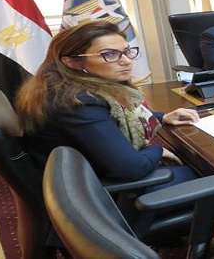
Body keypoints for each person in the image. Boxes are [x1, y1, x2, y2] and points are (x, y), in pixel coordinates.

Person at [15, 21, 200, 186]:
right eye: (109, 54)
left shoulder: (65, 86)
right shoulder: (78, 102)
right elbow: (131, 168)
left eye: (127, 51)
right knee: (205, 173)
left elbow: (111, 119)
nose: (126, 61)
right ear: (72, 62)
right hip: (93, 191)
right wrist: (158, 150)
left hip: (87, 172)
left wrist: (163, 117)